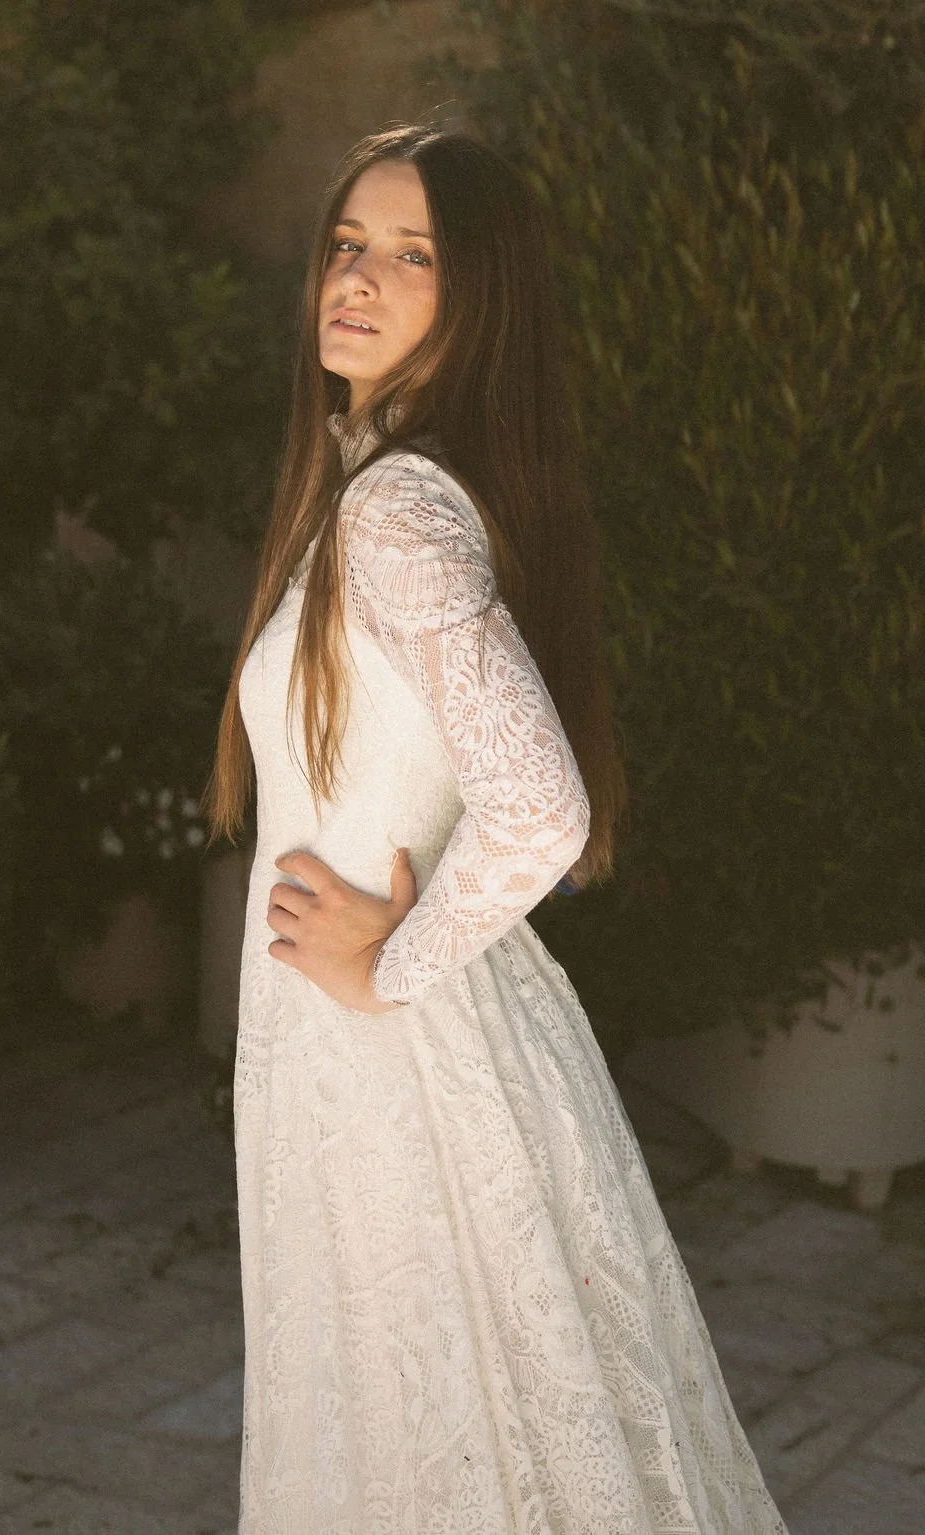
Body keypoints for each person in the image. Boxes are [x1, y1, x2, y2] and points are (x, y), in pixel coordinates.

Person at [206, 123, 787, 1534]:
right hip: (368, 1052)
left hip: (396, 1055)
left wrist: (386, 967)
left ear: (483, 302)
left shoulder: (399, 508)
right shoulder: (375, 482)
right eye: (349, 246)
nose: (360, 279)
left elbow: (543, 807)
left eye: (416, 257)